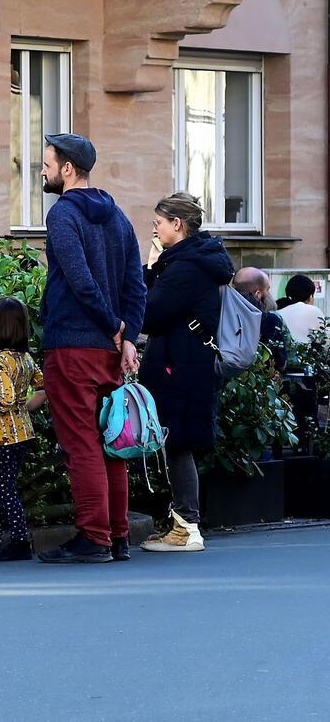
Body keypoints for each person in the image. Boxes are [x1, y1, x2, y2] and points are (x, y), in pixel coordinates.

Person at [35, 133, 148, 565]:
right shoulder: (118, 215)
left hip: (72, 344)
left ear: (67, 169)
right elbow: (135, 284)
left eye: (47, 163)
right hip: (108, 350)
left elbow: (79, 280)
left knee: (80, 442)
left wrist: (115, 327)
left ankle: (94, 538)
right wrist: (126, 336)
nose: (42, 170)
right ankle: (116, 536)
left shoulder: (63, 214)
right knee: (111, 441)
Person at [139, 192, 231, 554]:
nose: (155, 230)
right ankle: (183, 522)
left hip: (180, 366)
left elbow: (150, 313)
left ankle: (186, 526)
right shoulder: (195, 261)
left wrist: (149, 269)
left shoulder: (186, 267)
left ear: (177, 225)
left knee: (177, 444)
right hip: (187, 364)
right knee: (178, 443)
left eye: (159, 223)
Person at [0, 297, 45, 562]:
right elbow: (43, 386)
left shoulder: (0, 361)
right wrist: (25, 407)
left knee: (4, 490)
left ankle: (19, 539)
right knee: (5, 486)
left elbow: (4, 399)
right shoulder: (25, 358)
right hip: (23, 432)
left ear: (1, 327)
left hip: (3, 435)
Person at [234, 267, 291, 372]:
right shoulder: (271, 320)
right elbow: (281, 364)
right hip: (260, 382)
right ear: (257, 293)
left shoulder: (220, 314)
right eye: (267, 289)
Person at [277, 274, 322, 346]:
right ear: (310, 297)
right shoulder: (313, 311)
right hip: (306, 356)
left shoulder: (277, 312)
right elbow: (325, 341)